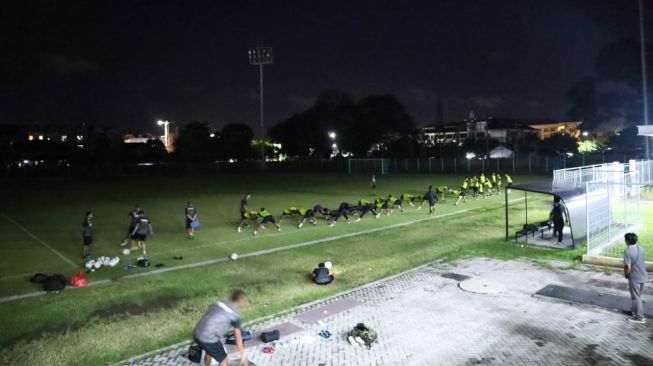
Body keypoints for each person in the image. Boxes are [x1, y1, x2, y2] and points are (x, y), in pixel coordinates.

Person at [193, 289, 249, 366]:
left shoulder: (220, 303)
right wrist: (242, 353)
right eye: (244, 300)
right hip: (208, 338)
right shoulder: (235, 314)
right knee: (224, 360)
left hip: (197, 332)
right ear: (240, 300)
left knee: (209, 352)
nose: (244, 302)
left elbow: (212, 316)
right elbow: (237, 336)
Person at [623, 233, 648, 324]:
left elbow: (628, 266)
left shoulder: (627, 251)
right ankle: (633, 312)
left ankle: (640, 317)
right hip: (643, 275)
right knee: (636, 296)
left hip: (635, 277)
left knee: (636, 297)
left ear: (626, 241)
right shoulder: (641, 249)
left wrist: (626, 274)